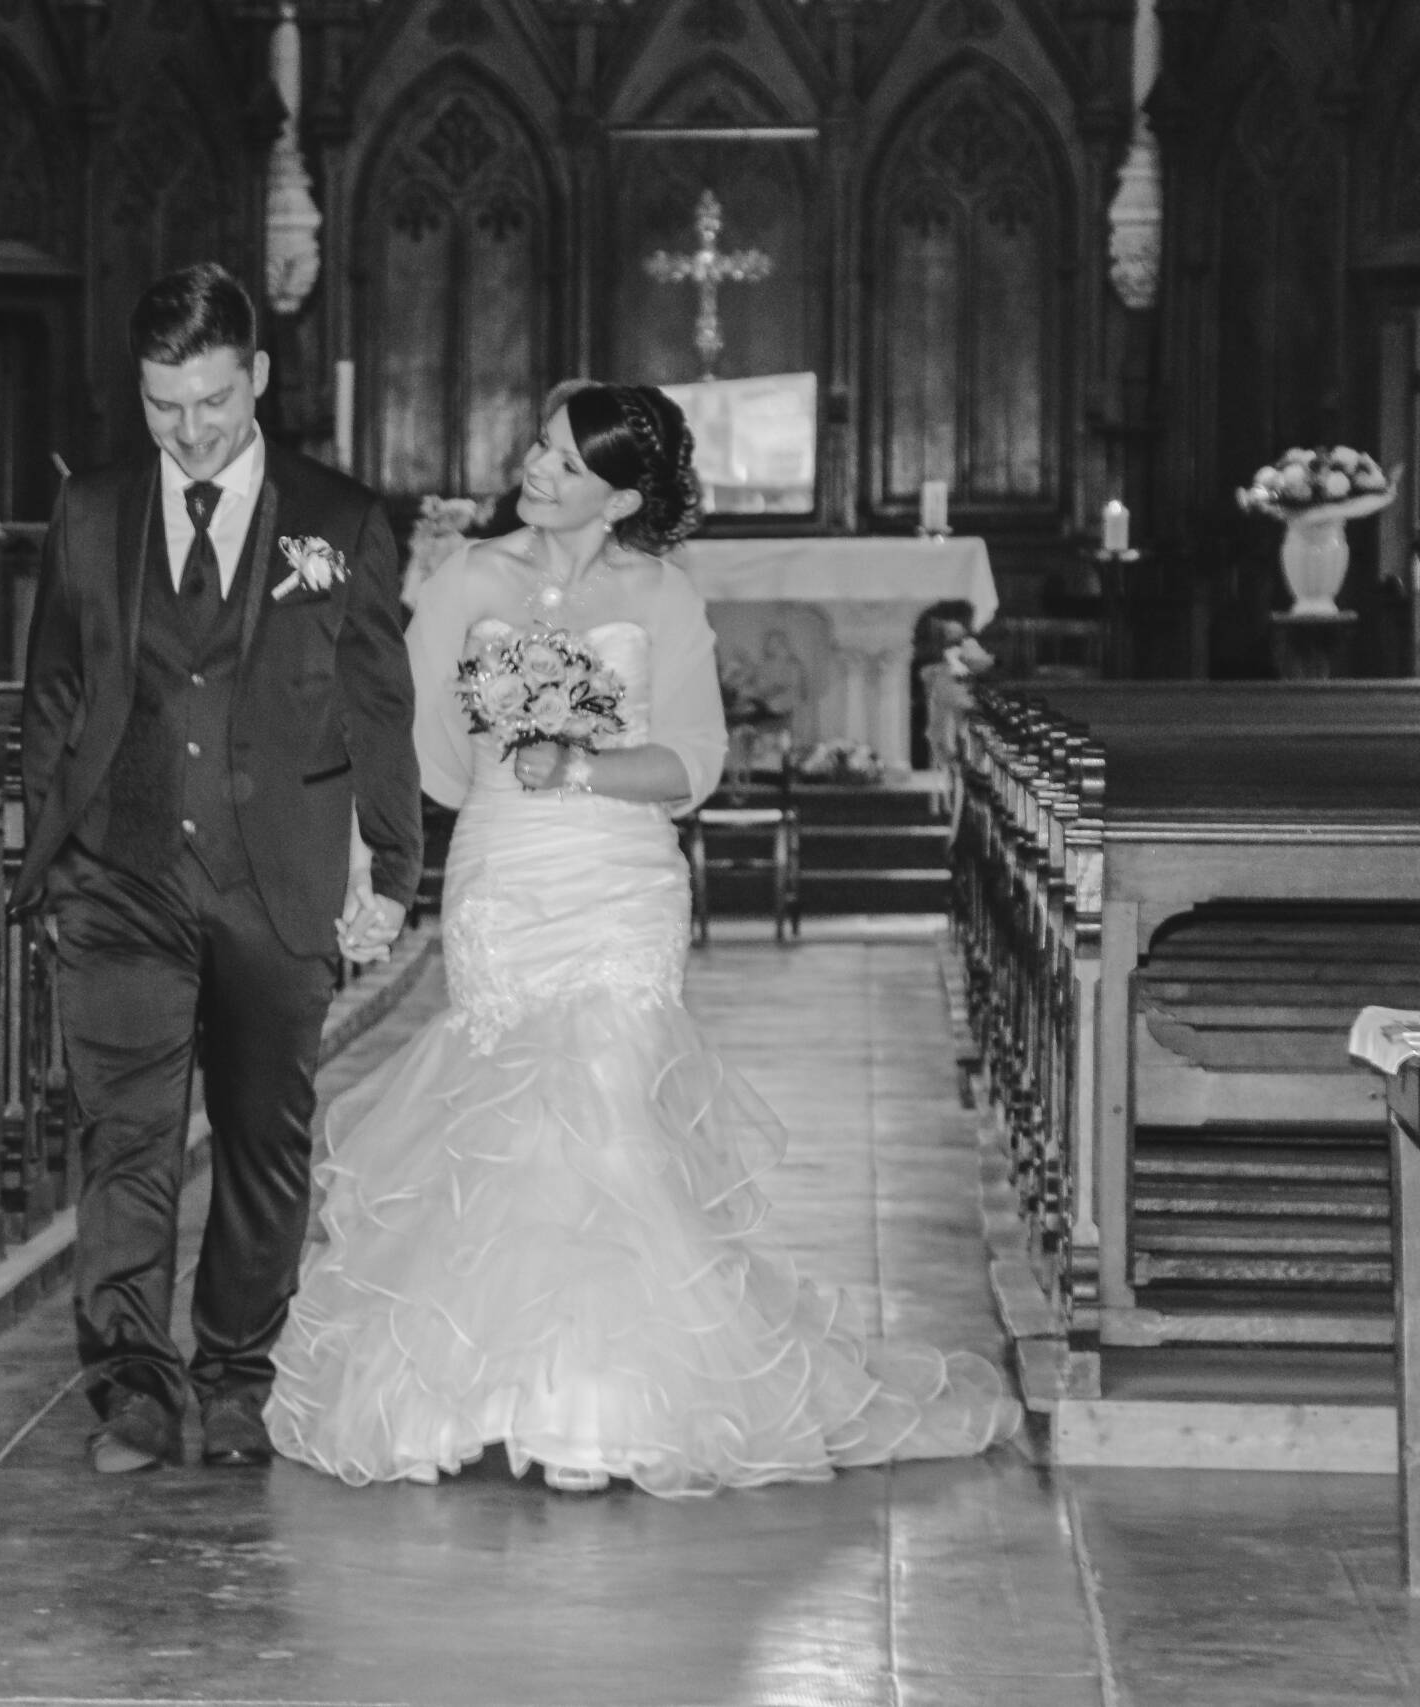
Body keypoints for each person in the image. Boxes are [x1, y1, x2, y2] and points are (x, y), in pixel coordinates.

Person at [266, 383, 1020, 1497]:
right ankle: (483, 1393)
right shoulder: (466, 578)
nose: (538, 470)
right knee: (504, 1122)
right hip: (504, 878)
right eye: (539, 446)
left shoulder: (661, 594)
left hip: (618, 883)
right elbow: (407, 747)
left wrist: (578, 764)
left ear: (621, 495)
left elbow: (692, 765)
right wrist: (445, 804)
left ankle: (598, 1407)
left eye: (569, 464)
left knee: (610, 1122)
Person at [16, 263, 425, 1475]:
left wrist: (392, 872)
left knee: (261, 1141)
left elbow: (379, 710)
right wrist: (48, 856)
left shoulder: (339, 519)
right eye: (161, 407)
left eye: (209, 402)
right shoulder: (92, 514)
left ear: (257, 377)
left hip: (277, 880)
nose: (188, 432)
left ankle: (237, 1376)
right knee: (124, 1141)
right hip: (119, 879)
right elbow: (52, 692)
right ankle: (132, 1389)